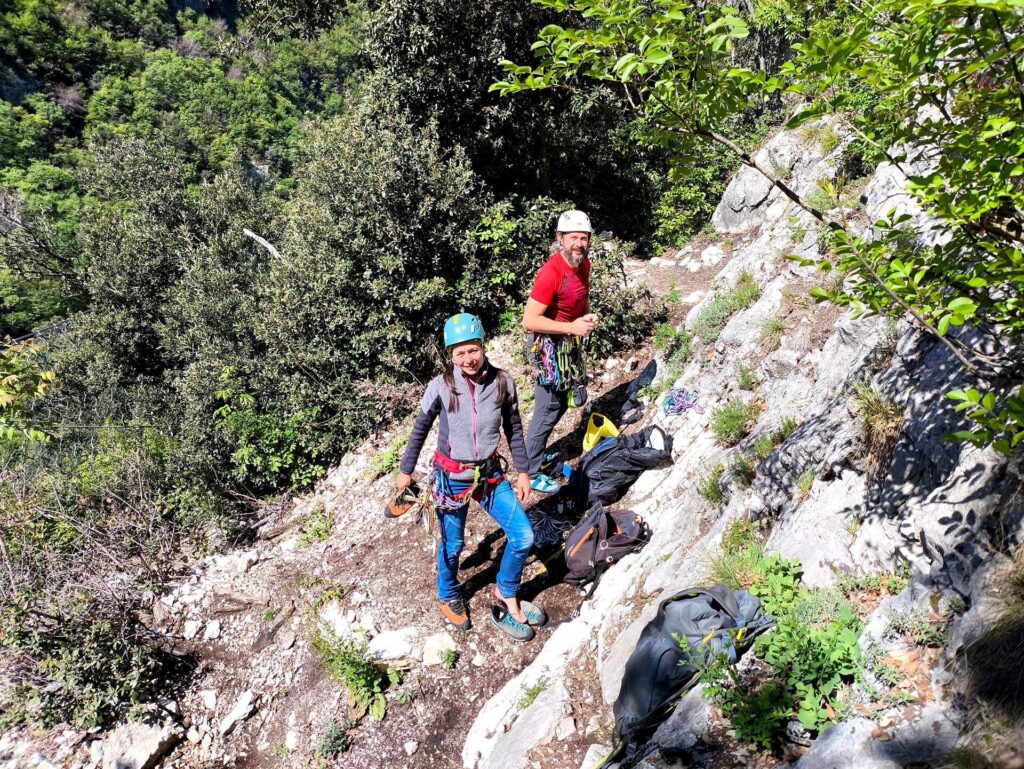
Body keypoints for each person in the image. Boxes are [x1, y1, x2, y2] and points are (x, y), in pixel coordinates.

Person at [395, 313, 546, 642]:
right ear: (451, 355)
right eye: (459, 353)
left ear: (482, 345)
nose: (468, 359)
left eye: (472, 350)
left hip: (490, 474)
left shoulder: (502, 382)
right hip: (452, 478)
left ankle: (507, 594)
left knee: (523, 536)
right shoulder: (442, 386)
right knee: (453, 546)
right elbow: (420, 428)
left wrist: (524, 471)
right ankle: (448, 593)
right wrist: (406, 472)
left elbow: (515, 429)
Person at [521, 210, 600, 493]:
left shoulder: (583, 264)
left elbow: (581, 297)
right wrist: (570, 328)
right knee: (548, 406)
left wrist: (586, 316)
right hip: (548, 345)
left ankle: (536, 456)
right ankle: (529, 473)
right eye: (573, 238)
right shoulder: (551, 272)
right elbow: (529, 320)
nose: (579, 243)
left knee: (565, 400)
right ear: (560, 239)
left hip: (567, 341)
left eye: (583, 237)